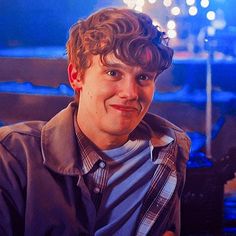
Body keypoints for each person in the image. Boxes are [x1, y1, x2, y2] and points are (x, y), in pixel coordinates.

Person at [0, 7, 190, 236]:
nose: (130, 92)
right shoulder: (13, 155)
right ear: (76, 76)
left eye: (143, 77)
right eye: (113, 73)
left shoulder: (168, 149)